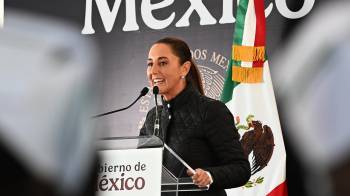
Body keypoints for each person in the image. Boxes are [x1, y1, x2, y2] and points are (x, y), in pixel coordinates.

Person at [140, 37, 251, 196]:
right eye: (150, 64)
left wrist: (209, 175)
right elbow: (140, 167)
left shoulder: (211, 110)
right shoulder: (152, 116)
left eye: (162, 63)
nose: (153, 71)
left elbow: (241, 169)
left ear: (184, 69)